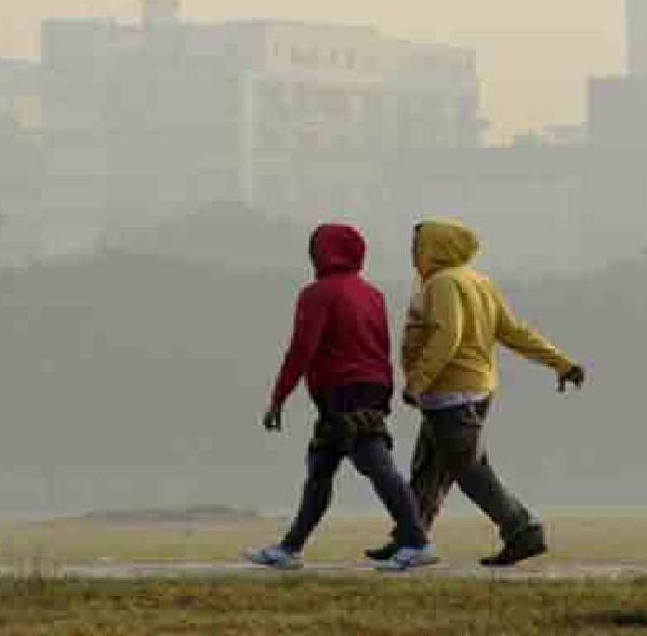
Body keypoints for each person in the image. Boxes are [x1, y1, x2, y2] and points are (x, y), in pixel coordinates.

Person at [365, 219, 586, 567]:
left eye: (416, 245)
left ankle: (522, 529)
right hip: (473, 389)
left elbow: (446, 337)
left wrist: (417, 382)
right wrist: (561, 363)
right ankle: (409, 534)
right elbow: (514, 332)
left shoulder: (442, 283)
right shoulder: (479, 282)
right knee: (429, 467)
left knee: (469, 470)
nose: (412, 253)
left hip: (451, 392)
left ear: (435, 248)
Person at [245, 223, 437, 572]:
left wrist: (278, 397)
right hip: (370, 386)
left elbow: (302, 349)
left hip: (344, 391)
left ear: (323, 252)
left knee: (376, 464)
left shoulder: (317, 294)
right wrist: (386, 389)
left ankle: (417, 541)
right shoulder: (372, 294)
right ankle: (289, 549)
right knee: (320, 468)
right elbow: (381, 345)